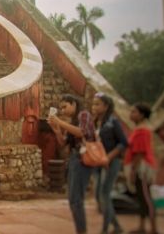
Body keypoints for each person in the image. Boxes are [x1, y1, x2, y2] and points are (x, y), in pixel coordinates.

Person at [49, 94, 96, 234]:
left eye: (65, 107)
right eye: (61, 108)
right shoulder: (72, 121)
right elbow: (63, 144)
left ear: (74, 104)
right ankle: (80, 230)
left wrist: (60, 122)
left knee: (76, 199)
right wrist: (56, 130)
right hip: (74, 159)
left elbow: (82, 132)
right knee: (73, 199)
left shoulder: (83, 115)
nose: (62, 111)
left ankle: (82, 231)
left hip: (83, 159)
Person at [91, 92, 128, 234]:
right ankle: (117, 226)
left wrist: (108, 157)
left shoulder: (113, 122)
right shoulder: (95, 123)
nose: (94, 107)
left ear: (106, 106)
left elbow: (123, 143)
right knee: (98, 196)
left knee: (104, 194)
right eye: (93, 104)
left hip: (111, 162)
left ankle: (105, 229)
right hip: (98, 163)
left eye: (97, 104)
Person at [125, 103, 158, 234]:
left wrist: (133, 170)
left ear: (142, 115)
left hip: (142, 168)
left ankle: (153, 228)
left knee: (146, 198)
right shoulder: (139, 129)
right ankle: (142, 226)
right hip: (140, 167)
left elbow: (139, 153)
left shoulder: (142, 131)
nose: (131, 114)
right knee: (142, 197)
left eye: (134, 112)